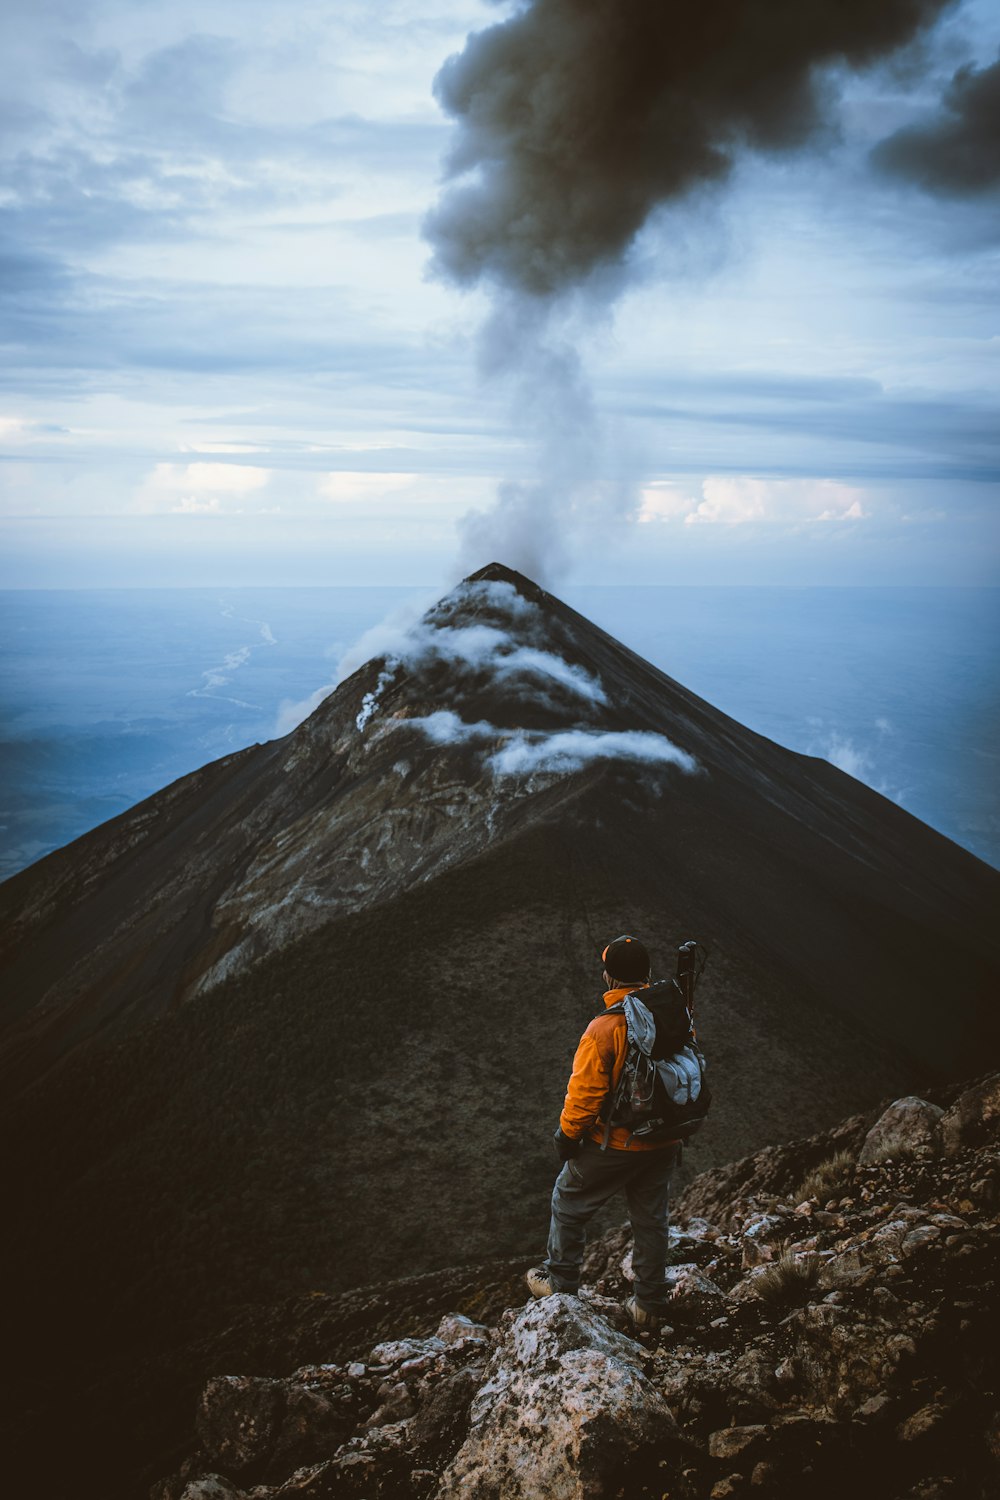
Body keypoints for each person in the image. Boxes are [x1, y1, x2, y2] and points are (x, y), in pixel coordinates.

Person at [526, 934, 680, 1327]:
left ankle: (560, 1283)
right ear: (646, 975)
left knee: (567, 1199)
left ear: (609, 977)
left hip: (616, 1143)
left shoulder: (603, 1029)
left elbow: (585, 1096)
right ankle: (647, 1304)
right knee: (651, 1219)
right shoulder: (675, 1014)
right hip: (664, 1139)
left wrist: (567, 1137)